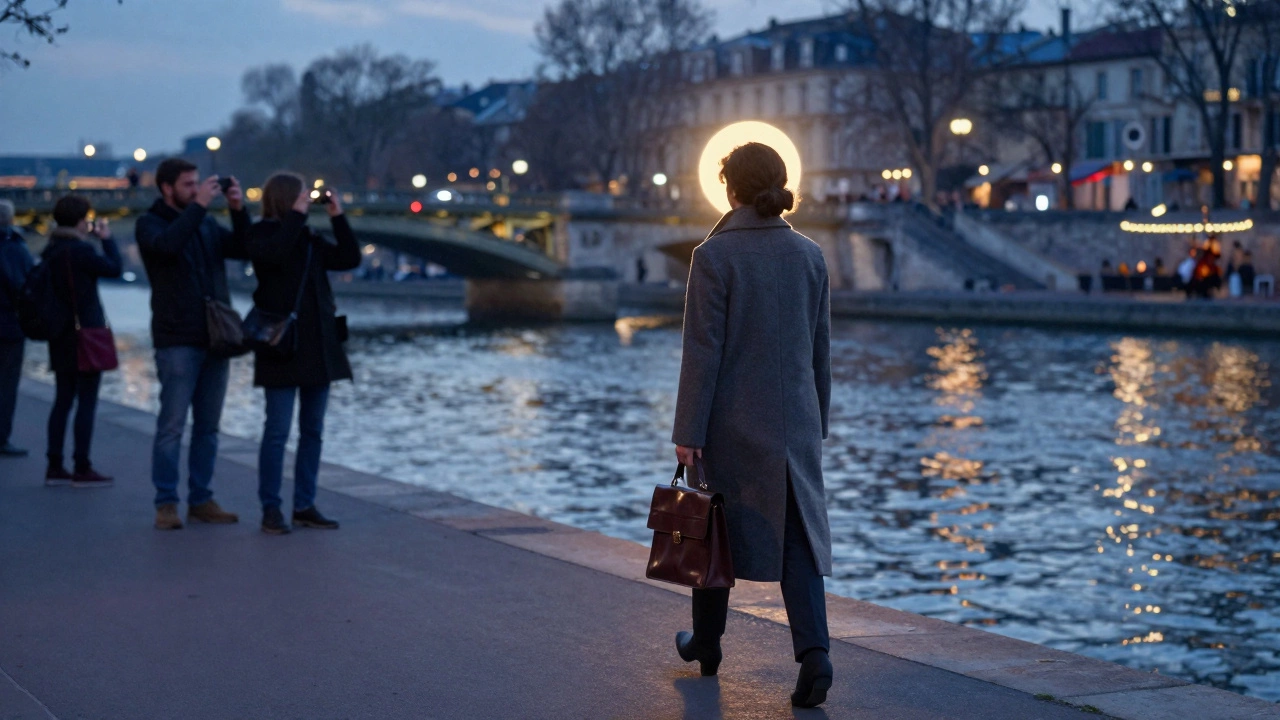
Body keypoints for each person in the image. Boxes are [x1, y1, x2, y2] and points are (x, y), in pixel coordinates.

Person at [671, 142, 834, 708]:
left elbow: (703, 353)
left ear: (730, 189)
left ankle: (706, 644)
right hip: (797, 422)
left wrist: (687, 429)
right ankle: (815, 656)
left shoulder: (714, 257)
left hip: (732, 423)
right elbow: (820, 351)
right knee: (797, 540)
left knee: (711, 527)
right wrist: (819, 422)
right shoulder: (810, 255)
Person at [136, 158, 249, 530]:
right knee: (171, 426)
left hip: (215, 338)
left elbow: (244, 248)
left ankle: (202, 499)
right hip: (177, 338)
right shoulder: (149, 224)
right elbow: (168, 248)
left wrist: (237, 210)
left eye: (197, 183)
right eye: (188, 184)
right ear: (166, 188)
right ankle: (166, 503)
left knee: (209, 427)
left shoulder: (206, 224)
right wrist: (200, 205)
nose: (196, 189)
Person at [248, 173, 360, 535]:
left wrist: (337, 214)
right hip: (281, 344)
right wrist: (295, 217)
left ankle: (304, 504)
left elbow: (348, 258)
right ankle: (271, 508)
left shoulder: (310, 239)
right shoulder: (262, 234)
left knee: (313, 430)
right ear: (284, 200)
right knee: (277, 430)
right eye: (299, 197)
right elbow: (275, 256)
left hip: (317, 345)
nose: (305, 202)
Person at [42, 196, 121, 486]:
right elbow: (114, 267)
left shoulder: (50, 251)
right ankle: (82, 465)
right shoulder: (82, 251)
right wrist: (107, 239)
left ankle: (54, 464)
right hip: (86, 333)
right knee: (87, 401)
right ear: (80, 221)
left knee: (62, 400)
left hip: (59, 334)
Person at [0, 199, 34, 457]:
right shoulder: (15, 248)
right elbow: (26, 285)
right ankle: (2, 438)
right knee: (7, 384)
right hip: (9, 325)